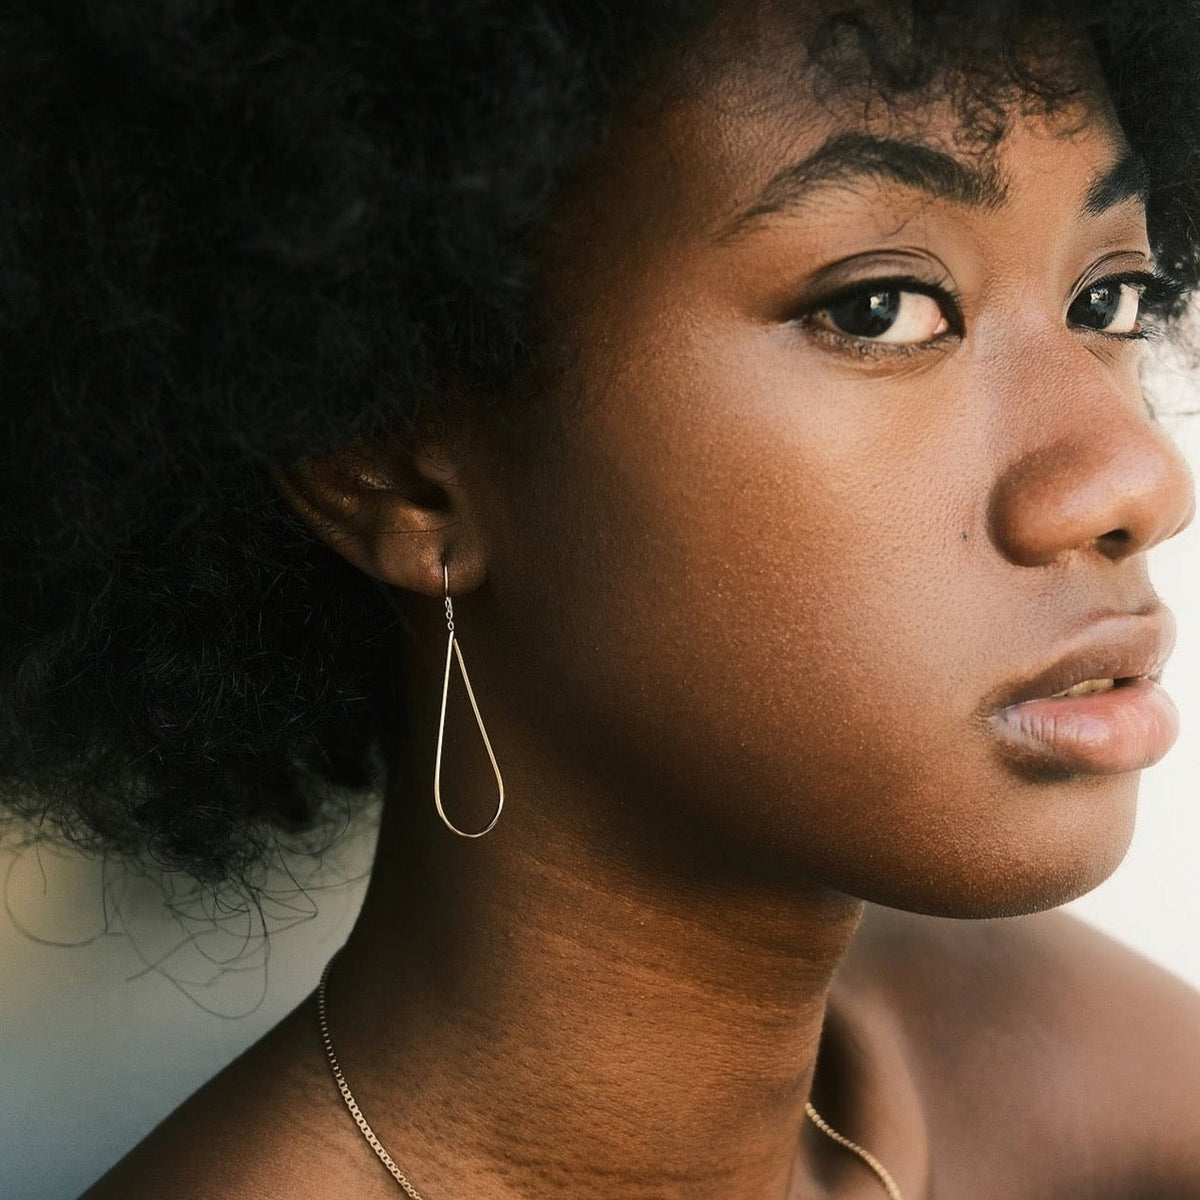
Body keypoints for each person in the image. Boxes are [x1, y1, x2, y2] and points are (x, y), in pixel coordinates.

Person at [3, 0, 1200, 1195]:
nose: (1139, 477)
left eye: (1108, 300)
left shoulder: (1036, 1064)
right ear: (398, 464)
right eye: (878, 307)